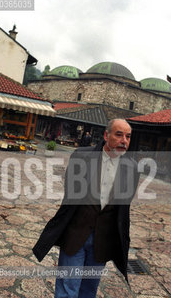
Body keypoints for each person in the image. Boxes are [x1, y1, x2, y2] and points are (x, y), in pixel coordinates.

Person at [33, 118, 140, 298]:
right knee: (68, 289)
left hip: (102, 241)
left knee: (88, 291)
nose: (124, 141)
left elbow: (123, 208)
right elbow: (70, 194)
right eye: (119, 134)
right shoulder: (82, 156)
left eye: (128, 137)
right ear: (106, 135)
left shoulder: (132, 169)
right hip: (76, 235)